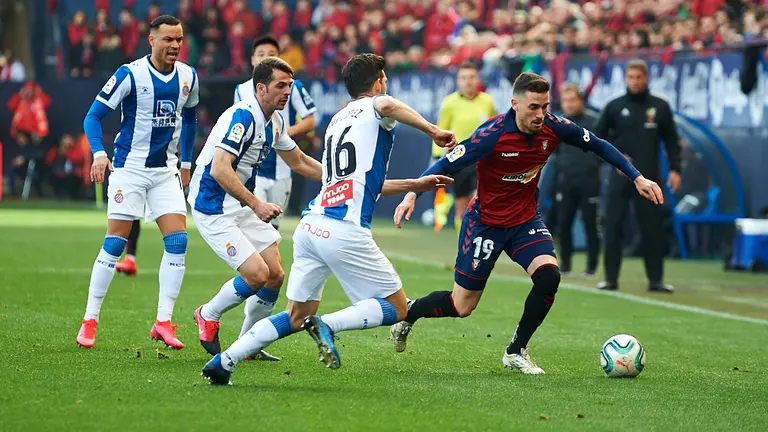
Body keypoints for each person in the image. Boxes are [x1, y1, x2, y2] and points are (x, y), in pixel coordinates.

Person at [200, 53, 456, 385]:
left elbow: (361, 183)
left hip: (311, 226)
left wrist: (414, 184)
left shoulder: (338, 120)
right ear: (379, 82)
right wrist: (433, 130)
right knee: (397, 308)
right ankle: (328, 325)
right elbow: (387, 105)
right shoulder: (377, 107)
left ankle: (225, 361)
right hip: (344, 229)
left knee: (296, 315)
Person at [389, 72, 664, 374]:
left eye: (545, 106)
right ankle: (411, 311)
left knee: (549, 277)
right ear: (515, 104)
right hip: (485, 224)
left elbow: (599, 145)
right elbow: (446, 163)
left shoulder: (554, 127)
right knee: (461, 306)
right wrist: (412, 194)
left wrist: (637, 177)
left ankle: (515, 350)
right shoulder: (491, 135)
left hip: (524, 221)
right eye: (533, 107)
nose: (540, 114)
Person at [76, 15, 198, 350]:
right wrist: (99, 153)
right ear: (152, 40)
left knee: (178, 241)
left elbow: (190, 119)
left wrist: (186, 162)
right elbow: (93, 116)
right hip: (129, 169)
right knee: (115, 243)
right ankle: (90, 319)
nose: (175, 45)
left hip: (165, 172)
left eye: (179, 39)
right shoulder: (130, 74)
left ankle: (163, 322)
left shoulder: (188, 76)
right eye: (168, 39)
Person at [190, 57, 319, 362]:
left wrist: (337, 179)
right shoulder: (243, 117)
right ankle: (207, 314)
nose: (287, 92)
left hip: (239, 203)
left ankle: (249, 345)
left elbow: (299, 161)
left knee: (275, 275)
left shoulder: (275, 121)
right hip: (212, 205)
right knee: (257, 274)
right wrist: (257, 204)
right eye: (280, 86)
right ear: (261, 88)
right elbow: (220, 169)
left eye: (290, 85)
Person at [593, 59, 681, 293]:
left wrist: (675, 169)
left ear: (646, 78)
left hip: (649, 178)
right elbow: (597, 138)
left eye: (638, 77)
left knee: (652, 228)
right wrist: (615, 157)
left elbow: (672, 140)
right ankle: (610, 278)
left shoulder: (660, 107)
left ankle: (656, 280)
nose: (634, 81)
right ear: (625, 79)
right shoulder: (614, 106)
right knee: (613, 226)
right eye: (630, 77)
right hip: (620, 176)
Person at [234, 36, 316, 231]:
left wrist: (281, 135)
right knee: (255, 224)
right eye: (260, 54)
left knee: (273, 227)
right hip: (253, 168)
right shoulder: (242, 90)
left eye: (271, 54)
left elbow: (310, 120)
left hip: (282, 167)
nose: (265, 58)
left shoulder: (292, 86)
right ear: (252, 59)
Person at [431, 62, 496, 232]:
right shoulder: (450, 103)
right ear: (458, 81)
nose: (468, 81)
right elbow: (440, 129)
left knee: (479, 198)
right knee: (461, 204)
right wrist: (437, 155)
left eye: (472, 77)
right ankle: (463, 239)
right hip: (459, 158)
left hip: (482, 158)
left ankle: (479, 235)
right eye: (464, 78)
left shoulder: (487, 101)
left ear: (478, 80)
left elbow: (495, 128)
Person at [553, 83, 601, 277]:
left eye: (572, 100)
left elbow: (603, 148)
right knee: (564, 223)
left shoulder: (594, 121)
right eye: (565, 100)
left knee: (591, 224)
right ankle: (565, 265)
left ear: (581, 100)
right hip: (565, 180)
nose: (569, 104)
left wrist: (593, 165)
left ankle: (591, 267)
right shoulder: (557, 124)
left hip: (589, 180)